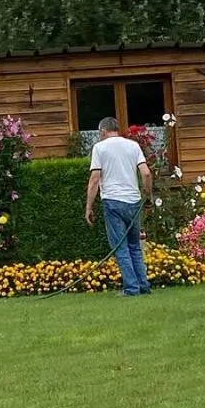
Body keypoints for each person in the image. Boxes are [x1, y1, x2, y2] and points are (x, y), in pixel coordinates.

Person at [84, 116, 153, 296]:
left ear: (103, 131)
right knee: (135, 246)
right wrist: (147, 196)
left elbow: (95, 179)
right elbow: (146, 173)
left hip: (113, 202)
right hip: (133, 201)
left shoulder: (100, 148)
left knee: (120, 247)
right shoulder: (133, 146)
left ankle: (131, 289)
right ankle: (143, 286)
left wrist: (89, 207)